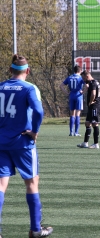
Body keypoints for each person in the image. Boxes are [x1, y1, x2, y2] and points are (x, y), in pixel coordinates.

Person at [0, 54, 53, 238]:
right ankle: (35, 230)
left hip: (1, 141)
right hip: (22, 143)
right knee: (31, 183)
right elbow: (38, 111)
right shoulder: (30, 88)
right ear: (28, 71)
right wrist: (35, 131)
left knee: (0, 185)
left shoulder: (0, 87)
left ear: (9, 70)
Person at [77, 70, 100, 149]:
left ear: (87, 76)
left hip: (94, 106)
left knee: (95, 124)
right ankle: (85, 143)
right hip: (92, 106)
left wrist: (91, 101)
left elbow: (93, 93)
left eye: (84, 78)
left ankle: (96, 144)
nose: (83, 80)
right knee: (87, 123)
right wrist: (97, 97)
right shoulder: (95, 82)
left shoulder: (92, 83)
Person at [60, 65, 85, 136]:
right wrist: (83, 91)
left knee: (72, 114)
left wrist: (66, 92)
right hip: (78, 96)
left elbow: (61, 86)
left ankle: (71, 132)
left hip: (71, 95)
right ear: (80, 71)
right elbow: (87, 85)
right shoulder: (80, 77)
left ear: (74, 70)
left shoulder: (70, 77)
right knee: (78, 114)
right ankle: (76, 132)